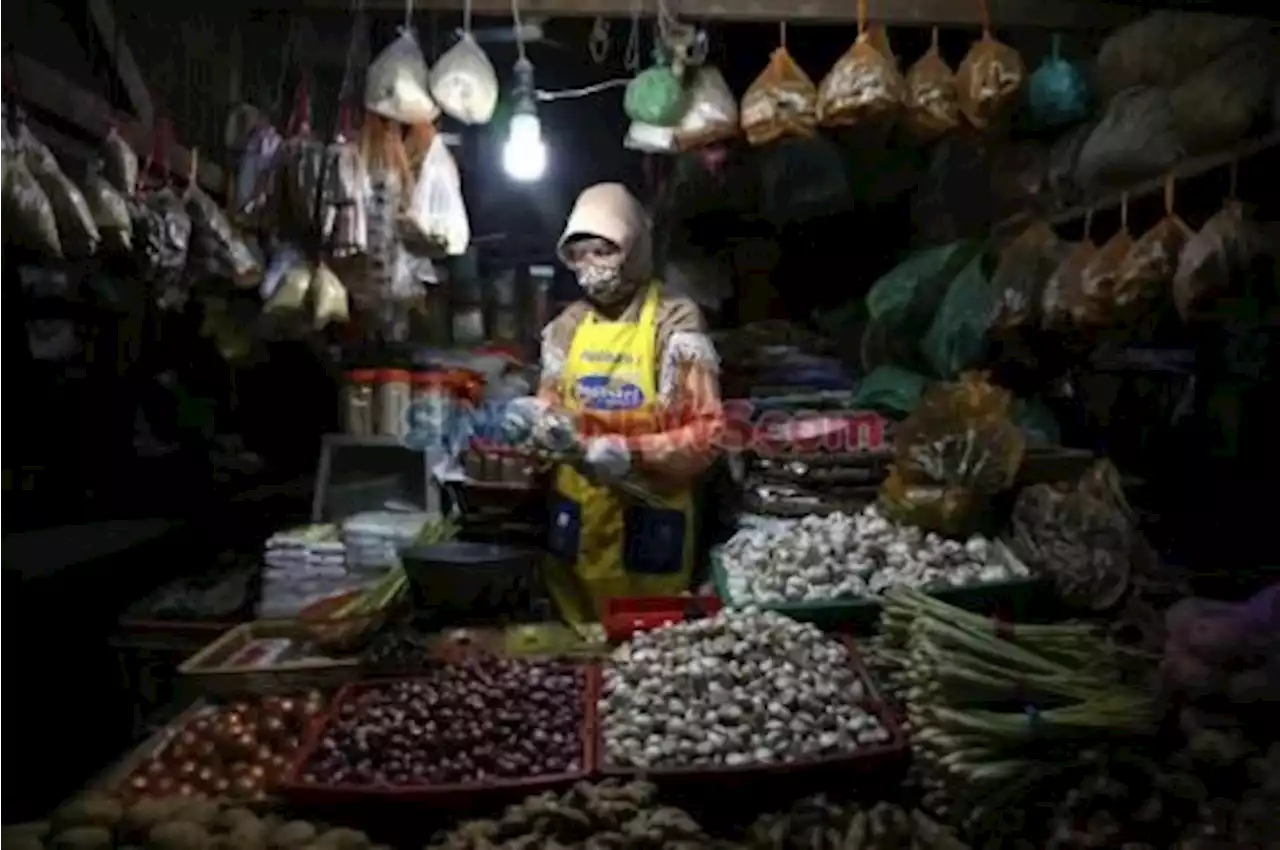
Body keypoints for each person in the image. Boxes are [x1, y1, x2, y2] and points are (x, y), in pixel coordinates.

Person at [504, 183, 724, 625]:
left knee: (644, 652)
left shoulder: (674, 320)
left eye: (604, 251)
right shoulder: (567, 326)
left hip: (647, 518)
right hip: (577, 519)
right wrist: (537, 423)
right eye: (579, 254)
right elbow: (552, 407)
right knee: (576, 647)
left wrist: (633, 453)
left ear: (635, 248)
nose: (591, 267)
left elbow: (707, 434)